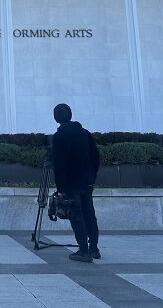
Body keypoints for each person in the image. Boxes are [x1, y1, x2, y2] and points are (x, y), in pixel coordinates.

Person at [51, 103, 101, 263]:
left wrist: (61, 189)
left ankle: (83, 251)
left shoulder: (59, 137)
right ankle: (94, 248)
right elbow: (96, 157)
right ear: (71, 115)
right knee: (89, 213)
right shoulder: (85, 133)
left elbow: (60, 165)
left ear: (55, 118)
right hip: (87, 181)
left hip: (71, 183)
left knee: (76, 215)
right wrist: (92, 177)